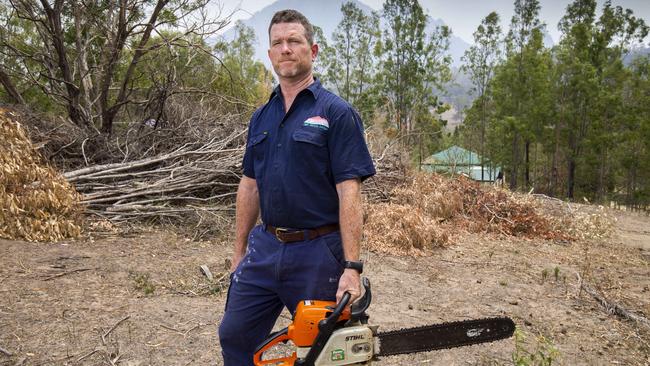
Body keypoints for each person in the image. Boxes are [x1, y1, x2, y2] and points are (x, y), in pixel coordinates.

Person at [217, 9, 376, 365]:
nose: (285, 49)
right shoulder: (262, 117)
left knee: (329, 351)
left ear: (313, 50)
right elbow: (250, 186)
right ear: (271, 54)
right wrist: (239, 250)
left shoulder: (336, 113)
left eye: (294, 41)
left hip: (319, 252)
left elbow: (349, 191)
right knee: (234, 336)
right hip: (265, 248)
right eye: (278, 43)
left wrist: (352, 267)